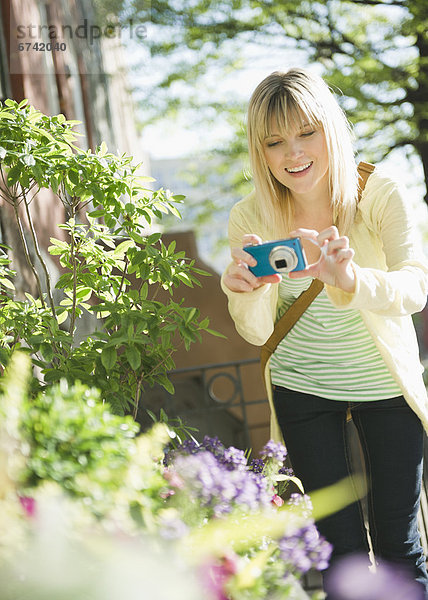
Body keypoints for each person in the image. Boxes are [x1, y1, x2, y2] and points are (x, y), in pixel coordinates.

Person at [221, 67, 428, 598]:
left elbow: (415, 287)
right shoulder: (250, 215)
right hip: (303, 389)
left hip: (386, 387)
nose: (293, 153)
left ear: (330, 127)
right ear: (260, 150)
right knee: (340, 551)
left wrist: (351, 279)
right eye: (275, 141)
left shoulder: (379, 192)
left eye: (306, 132)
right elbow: (255, 332)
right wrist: (245, 290)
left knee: (399, 546)